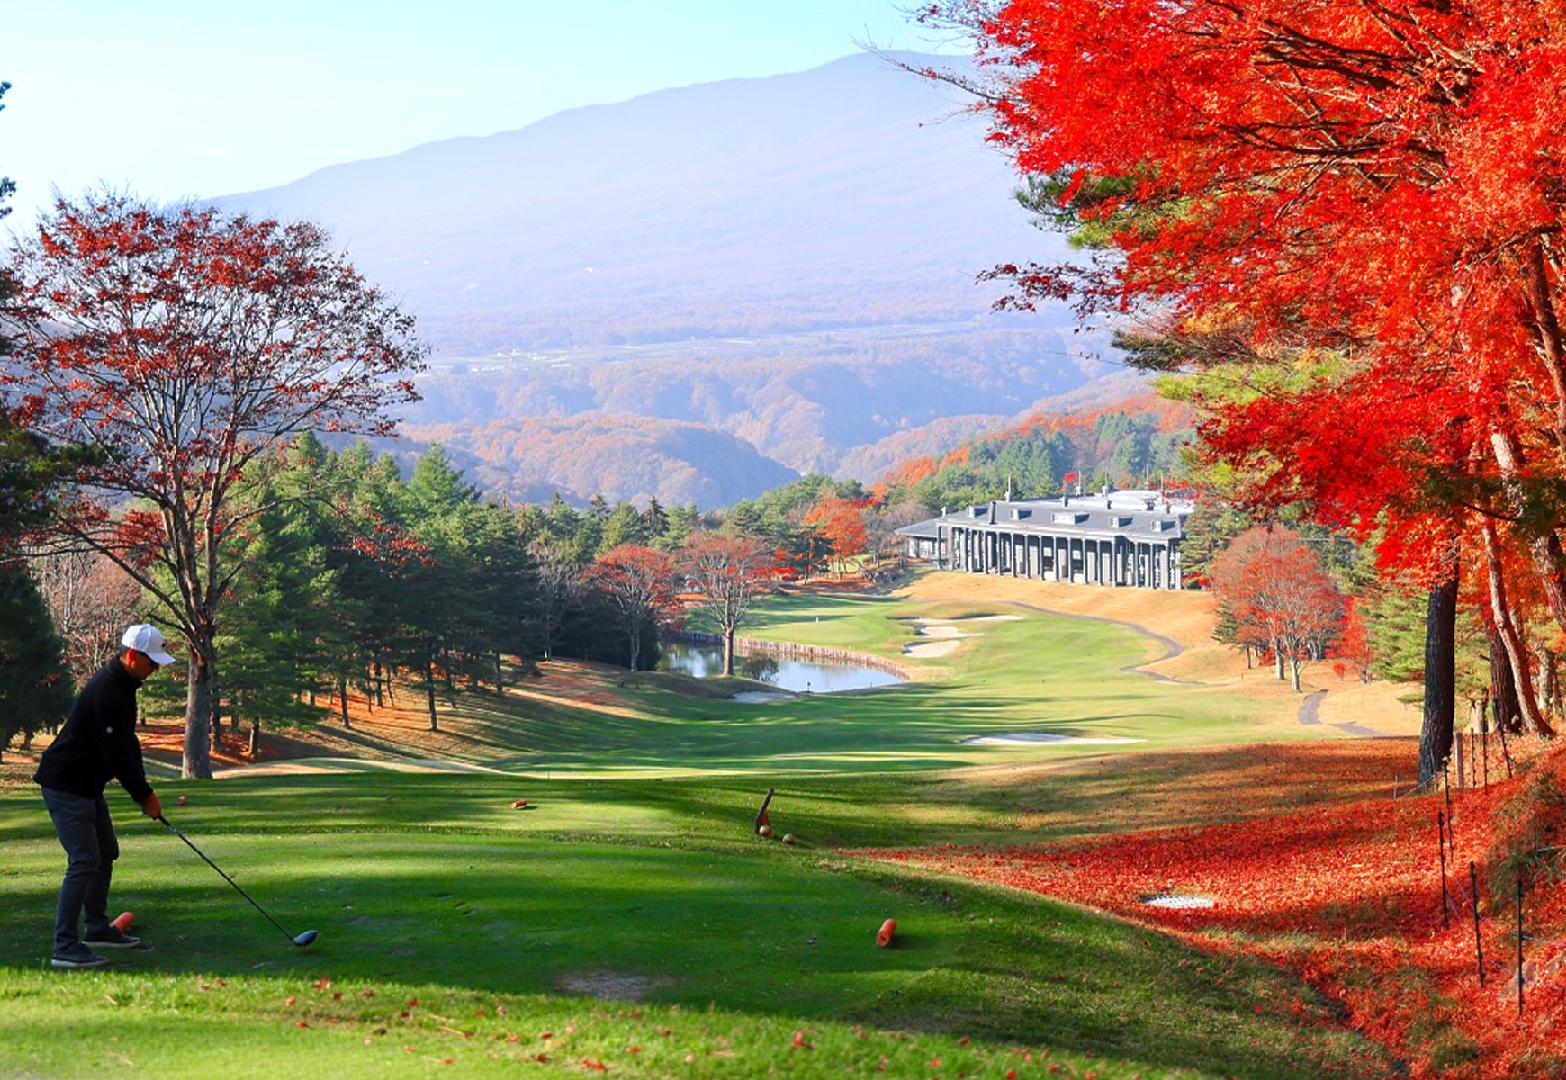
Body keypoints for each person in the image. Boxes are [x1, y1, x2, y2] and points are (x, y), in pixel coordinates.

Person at [33, 624, 174, 969]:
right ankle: (64, 945)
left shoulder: (126, 685)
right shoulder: (107, 691)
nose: (155, 669)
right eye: (151, 662)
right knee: (84, 860)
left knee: (105, 852)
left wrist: (146, 791)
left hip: (87, 785)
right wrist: (144, 796)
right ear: (131, 655)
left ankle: (96, 927)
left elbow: (129, 744)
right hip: (66, 784)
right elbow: (118, 756)